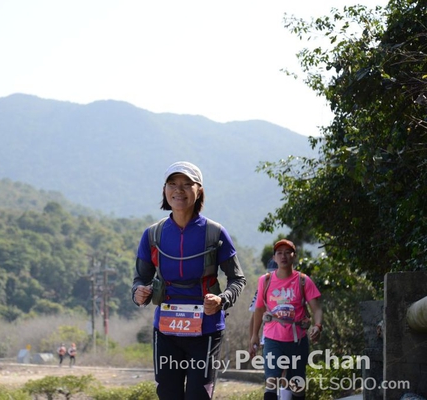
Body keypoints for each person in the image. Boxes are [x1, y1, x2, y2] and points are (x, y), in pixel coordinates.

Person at [132, 161, 246, 400]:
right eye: (172, 184)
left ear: (199, 190)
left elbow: (237, 279)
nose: (179, 190)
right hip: (166, 331)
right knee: (168, 395)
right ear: (164, 190)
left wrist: (222, 300)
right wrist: (138, 292)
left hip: (206, 330)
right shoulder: (153, 235)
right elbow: (140, 278)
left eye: (187, 184)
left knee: (198, 396)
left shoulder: (215, 233)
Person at [249, 239, 323, 400]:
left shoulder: (303, 280)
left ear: (294, 256)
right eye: (279, 253)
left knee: (297, 385)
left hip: (297, 340)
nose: (283, 256)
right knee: (272, 381)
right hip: (272, 339)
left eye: (288, 252)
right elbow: (259, 309)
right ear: (274, 257)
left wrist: (318, 326)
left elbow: (316, 309)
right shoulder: (265, 280)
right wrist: (254, 335)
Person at [249, 259, 292, 400]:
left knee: (286, 373)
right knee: (274, 375)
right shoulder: (264, 287)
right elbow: (254, 316)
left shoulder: (293, 285)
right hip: (270, 338)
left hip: (289, 336)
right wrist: (253, 338)